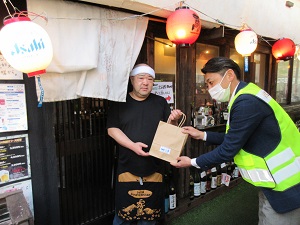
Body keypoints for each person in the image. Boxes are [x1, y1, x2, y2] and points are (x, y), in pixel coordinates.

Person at [171, 57, 300, 225]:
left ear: (229, 75)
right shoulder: (245, 93)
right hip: (274, 182)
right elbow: (237, 137)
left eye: (211, 82)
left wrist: (192, 162)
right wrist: (202, 135)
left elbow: (229, 149)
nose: (209, 89)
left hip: (286, 185)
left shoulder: (245, 101)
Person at [107, 63, 181, 225]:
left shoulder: (160, 102)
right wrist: (133, 146)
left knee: (149, 218)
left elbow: (169, 132)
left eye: (150, 79)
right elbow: (112, 129)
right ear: (132, 80)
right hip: (127, 166)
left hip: (154, 167)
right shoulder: (119, 102)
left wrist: (173, 121)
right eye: (141, 78)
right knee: (122, 216)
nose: (145, 82)